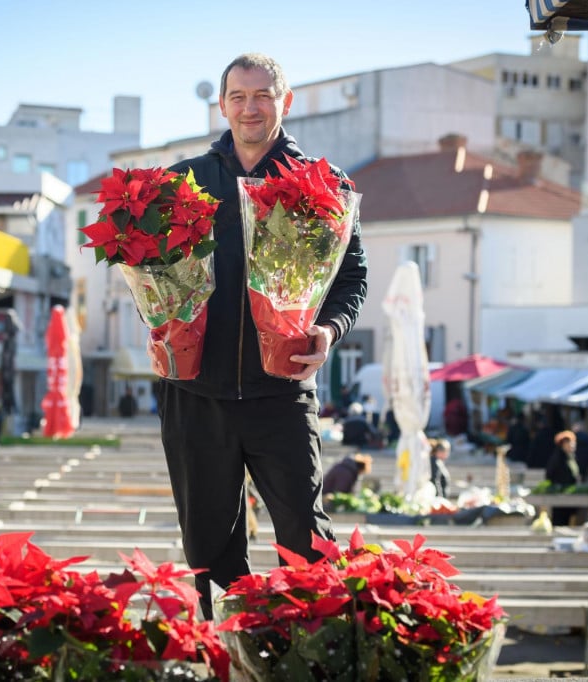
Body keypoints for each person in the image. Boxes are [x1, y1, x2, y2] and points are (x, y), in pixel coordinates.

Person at [156, 53, 367, 619]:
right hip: (196, 394)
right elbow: (149, 271)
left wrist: (329, 329)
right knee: (208, 551)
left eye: (263, 95)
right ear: (221, 105)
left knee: (306, 540)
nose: (250, 107)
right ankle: (230, 655)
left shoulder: (324, 184)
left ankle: (314, 652)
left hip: (282, 390)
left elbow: (352, 279)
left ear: (286, 101)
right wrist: (158, 320)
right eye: (238, 96)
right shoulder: (185, 181)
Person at [546, 430, 581, 526]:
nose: (572, 445)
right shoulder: (557, 458)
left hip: (570, 493)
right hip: (560, 495)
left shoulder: (571, 457)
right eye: (568, 443)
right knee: (559, 521)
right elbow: (550, 474)